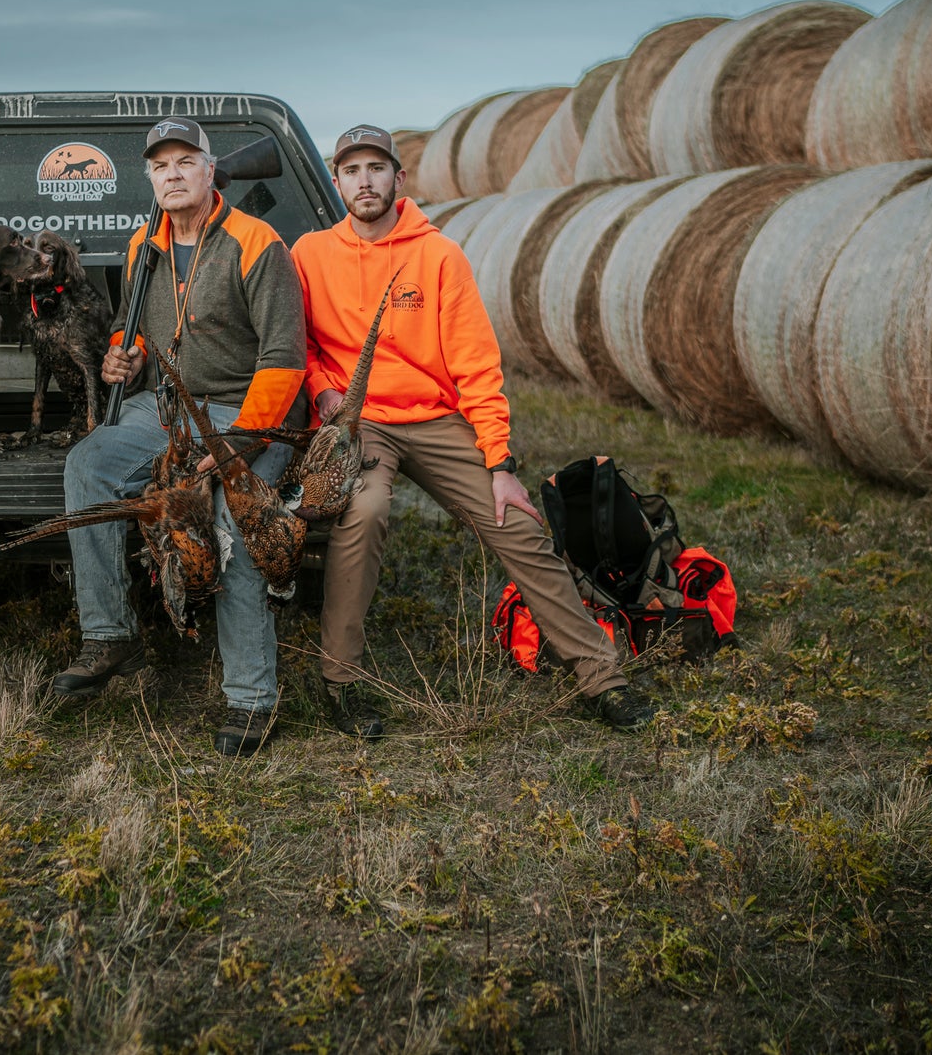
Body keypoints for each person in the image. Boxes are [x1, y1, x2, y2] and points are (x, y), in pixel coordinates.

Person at [290, 125, 655, 739]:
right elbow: (296, 342)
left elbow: (475, 363)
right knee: (367, 508)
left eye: (376, 168)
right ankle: (341, 681)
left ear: (398, 178)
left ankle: (601, 677)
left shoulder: (438, 255)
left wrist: (499, 463)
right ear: (337, 181)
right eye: (351, 170)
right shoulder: (310, 254)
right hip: (360, 421)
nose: (365, 181)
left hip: (433, 416)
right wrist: (324, 388)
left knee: (514, 523)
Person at [52, 117, 308, 757]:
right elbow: (131, 328)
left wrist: (238, 448)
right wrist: (122, 357)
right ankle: (111, 633)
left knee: (232, 525)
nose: (173, 173)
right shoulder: (146, 245)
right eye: (161, 165)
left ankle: (251, 699)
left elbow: (284, 358)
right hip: (162, 410)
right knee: (89, 465)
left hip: (242, 415)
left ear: (209, 168)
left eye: (185, 161)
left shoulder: (257, 243)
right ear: (150, 177)